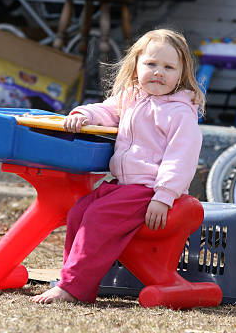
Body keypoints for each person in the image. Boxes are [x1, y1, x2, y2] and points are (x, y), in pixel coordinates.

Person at [30, 28, 206, 304]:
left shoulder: (180, 113)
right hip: (121, 185)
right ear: (135, 66)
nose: (159, 72)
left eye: (169, 67)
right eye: (151, 64)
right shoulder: (132, 97)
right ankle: (75, 284)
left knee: (98, 218)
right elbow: (107, 110)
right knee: (79, 212)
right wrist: (83, 113)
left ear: (181, 74)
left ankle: (72, 287)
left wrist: (164, 196)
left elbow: (180, 158)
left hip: (147, 189)